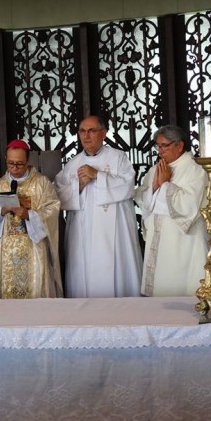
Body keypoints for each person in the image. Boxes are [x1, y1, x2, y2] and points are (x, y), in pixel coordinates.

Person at [54, 116, 142, 298]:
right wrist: (78, 185)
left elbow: (128, 186)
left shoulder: (118, 157)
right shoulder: (72, 164)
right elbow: (57, 196)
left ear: (104, 133)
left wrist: (98, 176)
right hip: (82, 233)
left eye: (91, 131)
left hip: (114, 232)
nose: (86, 136)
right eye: (82, 131)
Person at [0, 139, 63, 299]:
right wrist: (1, 211)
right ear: (5, 159)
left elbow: (52, 210)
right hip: (4, 252)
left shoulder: (41, 183)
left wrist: (29, 215)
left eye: (19, 164)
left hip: (33, 250)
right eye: (10, 163)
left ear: (28, 161)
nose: (15, 168)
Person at [134, 125, 208, 296]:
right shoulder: (156, 169)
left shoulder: (195, 169)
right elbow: (142, 198)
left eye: (164, 145)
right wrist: (154, 187)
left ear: (179, 145)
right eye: (157, 146)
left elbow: (190, 205)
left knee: (181, 288)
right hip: (158, 238)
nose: (160, 151)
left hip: (183, 241)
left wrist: (166, 184)